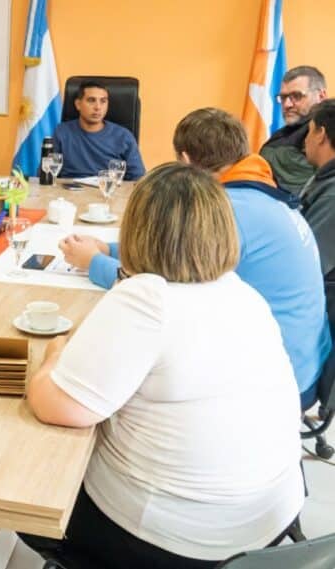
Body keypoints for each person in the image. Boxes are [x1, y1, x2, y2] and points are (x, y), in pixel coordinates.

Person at [23, 163, 303, 569]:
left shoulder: (147, 297)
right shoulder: (242, 293)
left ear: (137, 229)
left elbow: (58, 406)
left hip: (175, 543)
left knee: (22, 482)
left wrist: (52, 358)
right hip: (266, 529)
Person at [61, 108, 331, 408]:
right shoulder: (257, 190)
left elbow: (164, 290)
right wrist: (110, 248)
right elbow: (171, 250)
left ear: (186, 162)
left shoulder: (228, 210)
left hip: (277, 379)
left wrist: (94, 263)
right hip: (305, 358)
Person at [53, 80, 145, 180]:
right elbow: (47, 172)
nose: (98, 107)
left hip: (109, 190)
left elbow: (138, 178)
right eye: (91, 100)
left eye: (103, 101)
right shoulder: (62, 132)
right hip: (70, 190)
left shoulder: (124, 136)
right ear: (78, 104)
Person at [261, 66, 328, 194]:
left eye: (296, 96)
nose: (287, 105)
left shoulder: (328, 133)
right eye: (283, 98)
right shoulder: (282, 134)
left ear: (321, 96)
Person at [302, 99, 335, 325]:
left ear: (321, 134)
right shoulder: (324, 179)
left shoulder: (331, 193)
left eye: (309, 131)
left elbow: (309, 260)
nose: (305, 140)